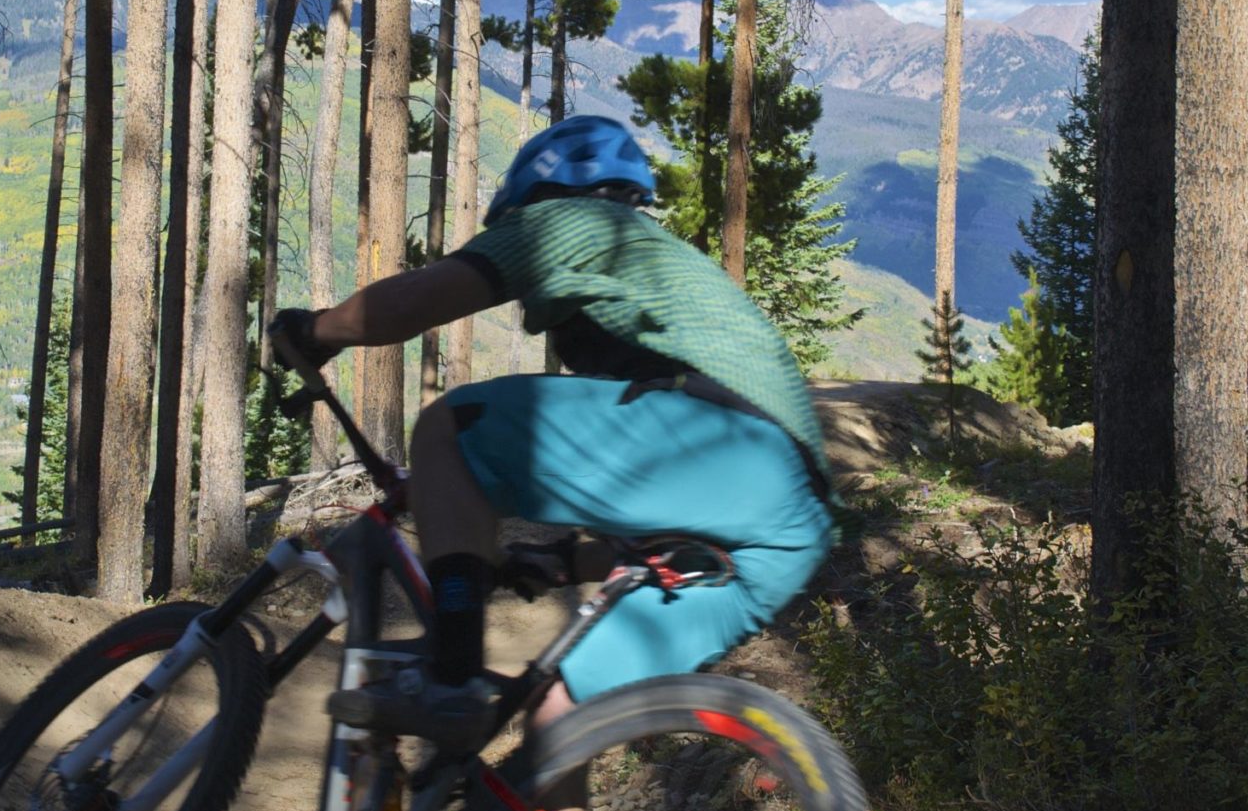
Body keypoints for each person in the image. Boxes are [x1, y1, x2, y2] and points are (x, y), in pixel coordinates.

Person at [270, 114, 837, 753]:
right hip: (791, 530)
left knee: (447, 428)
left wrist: (313, 332)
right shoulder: (659, 271)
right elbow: (681, 533)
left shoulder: (566, 221)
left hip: (734, 447)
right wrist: (564, 561)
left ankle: (448, 679)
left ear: (535, 196)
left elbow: (409, 306)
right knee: (558, 721)